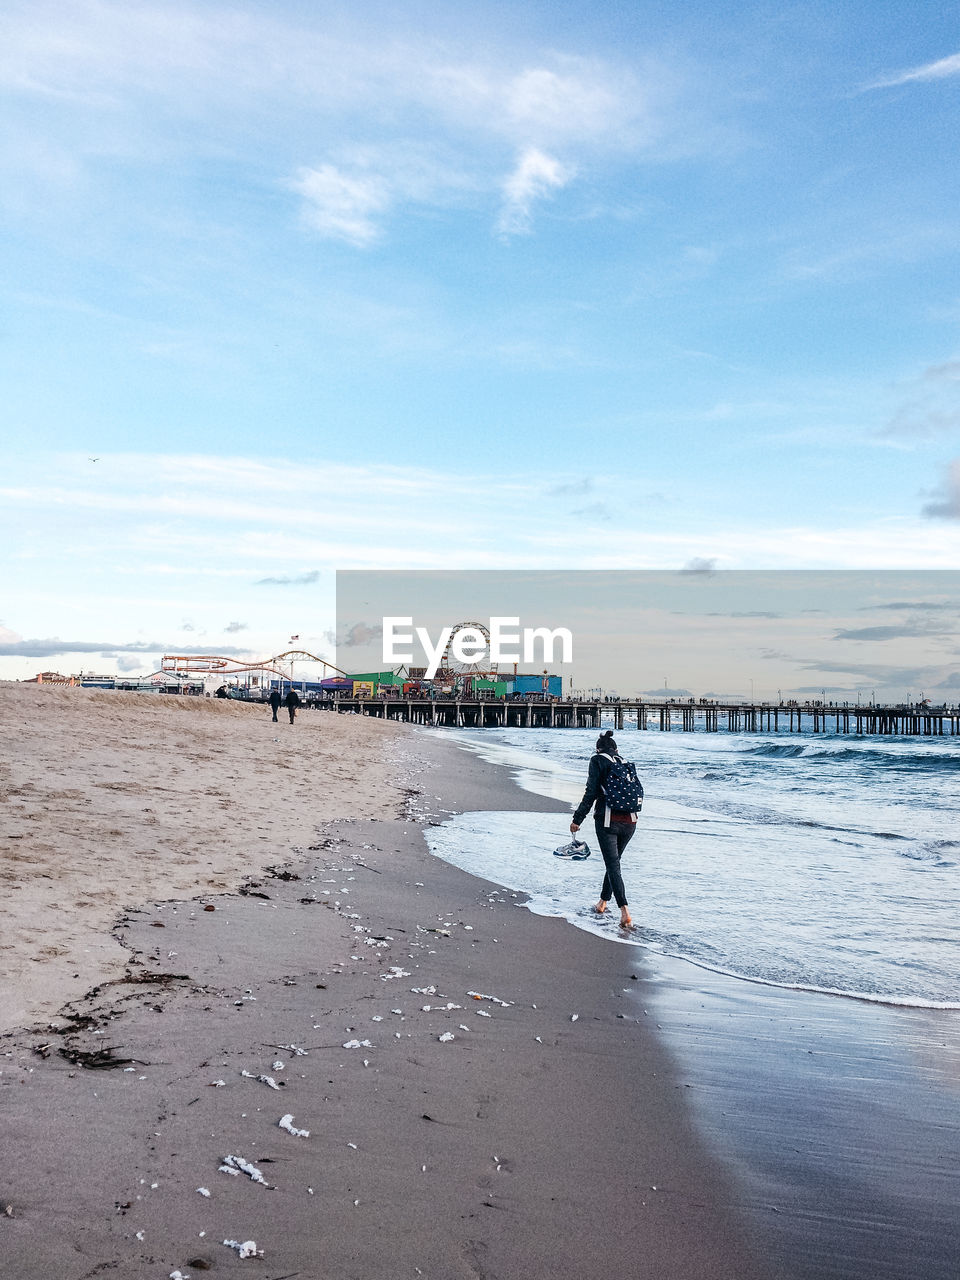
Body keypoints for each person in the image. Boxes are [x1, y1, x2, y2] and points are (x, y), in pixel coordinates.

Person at [570, 728, 639, 928]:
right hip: (631, 822)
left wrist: (577, 819)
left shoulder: (597, 760)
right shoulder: (624, 762)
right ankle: (602, 902)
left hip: (608, 821)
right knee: (613, 863)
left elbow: (591, 792)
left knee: (613, 865)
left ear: (598, 749)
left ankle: (625, 911)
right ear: (615, 749)